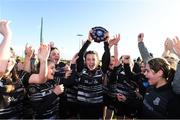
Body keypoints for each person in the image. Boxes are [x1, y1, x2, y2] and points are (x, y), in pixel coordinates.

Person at [76, 30, 110, 119]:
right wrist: (88, 41)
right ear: (85, 61)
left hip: (97, 107)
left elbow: (107, 57)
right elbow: (80, 56)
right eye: (88, 59)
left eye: (93, 59)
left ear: (98, 61)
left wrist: (106, 42)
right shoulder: (81, 71)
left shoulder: (101, 71)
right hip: (82, 107)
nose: (91, 62)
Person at [0, 20, 26, 119]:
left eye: (12, 57)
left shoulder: (16, 79)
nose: (9, 60)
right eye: (6, 57)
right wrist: (7, 36)